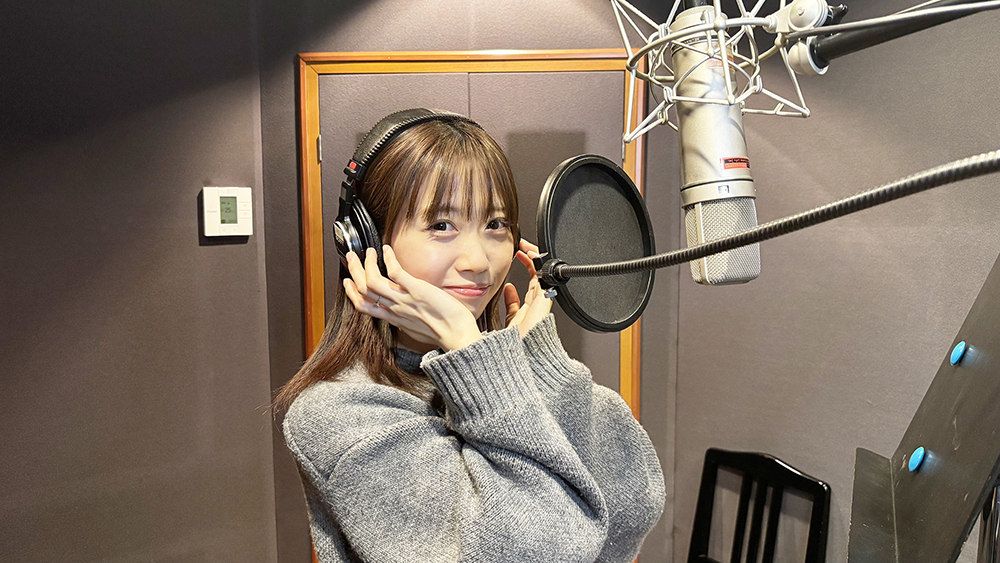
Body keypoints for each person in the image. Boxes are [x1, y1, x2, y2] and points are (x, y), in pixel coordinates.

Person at [275, 110, 664, 563]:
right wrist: (479, 359)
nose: (478, 261)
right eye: (441, 225)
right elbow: (543, 550)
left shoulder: (505, 372)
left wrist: (539, 367)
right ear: (366, 242)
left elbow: (632, 510)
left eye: (496, 225)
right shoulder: (336, 413)